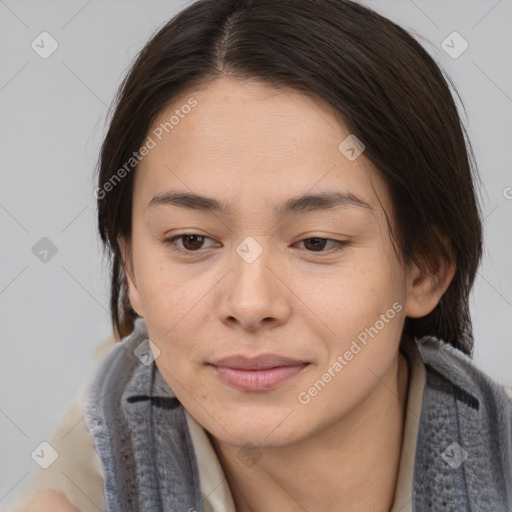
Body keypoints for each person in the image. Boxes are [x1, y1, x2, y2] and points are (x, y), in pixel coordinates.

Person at [10, 0, 512, 511]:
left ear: (424, 268)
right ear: (133, 268)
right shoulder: (87, 472)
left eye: (316, 242)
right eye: (192, 240)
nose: (250, 304)